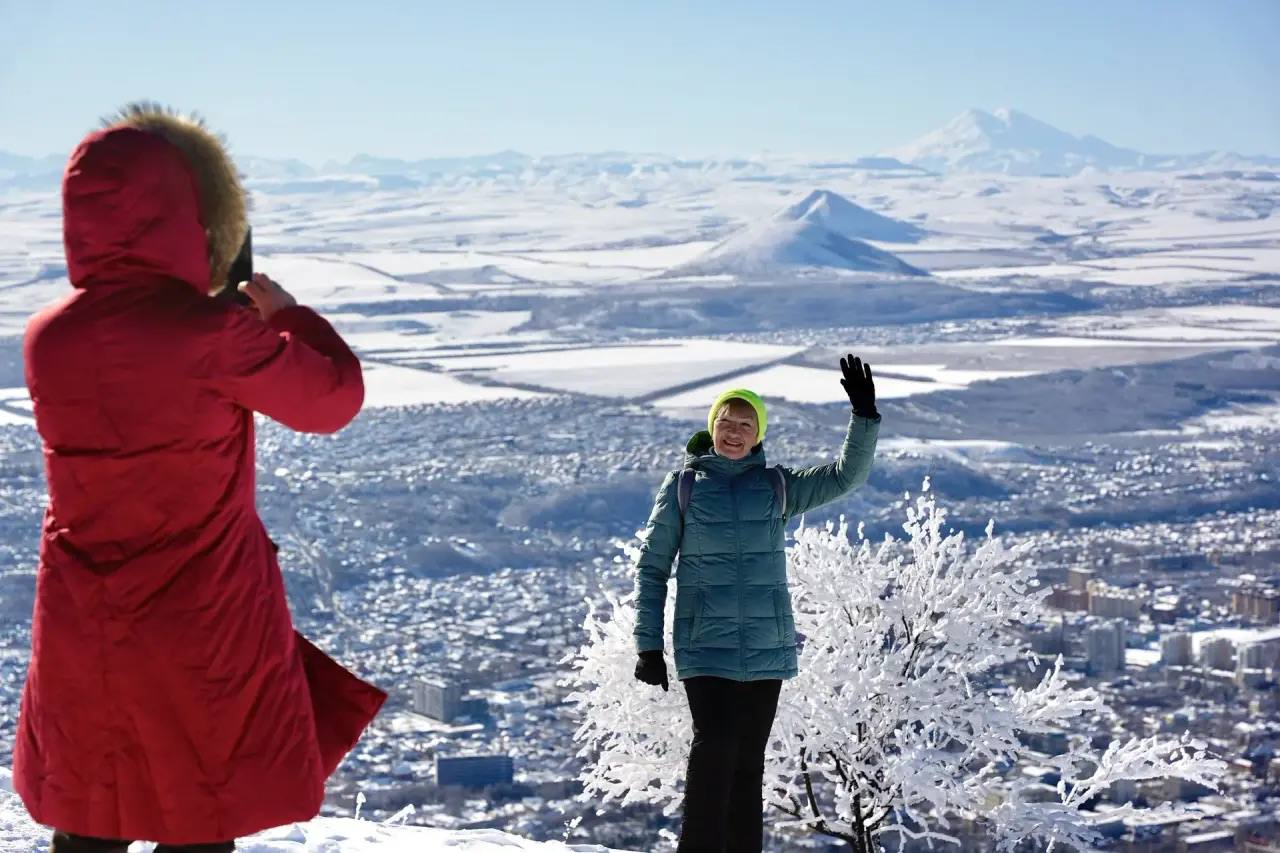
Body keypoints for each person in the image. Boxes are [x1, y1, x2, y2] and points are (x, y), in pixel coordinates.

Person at [13, 103, 387, 852]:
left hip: (85, 616)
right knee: (200, 811)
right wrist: (290, 318)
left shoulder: (47, 335)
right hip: (201, 620)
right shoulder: (211, 334)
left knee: (91, 807)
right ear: (193, 217)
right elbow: (333, 398)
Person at [632, 358, 881, 853]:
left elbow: (844, 477)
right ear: (712, 427)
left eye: (746, 424)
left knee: (748, 763)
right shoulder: (683, 488)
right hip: (705, 645)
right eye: (726, 421)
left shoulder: (775, 486)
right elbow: (652, 568)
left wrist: (864, 416)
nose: (734, 431)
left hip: (766, 648)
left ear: (758, 434)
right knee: (716, 745)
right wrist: (648, 646)